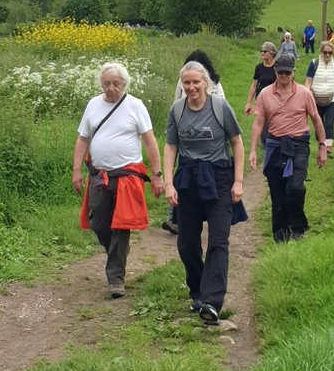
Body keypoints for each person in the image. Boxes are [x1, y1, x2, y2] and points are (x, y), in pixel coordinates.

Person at [162, 60, 244, 326]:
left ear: (206, 83)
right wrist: (169, 184)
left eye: (196, 82)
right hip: (187, 178)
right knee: (186, 243)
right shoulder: (177, 110)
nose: (191, 87)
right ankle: (197, 292)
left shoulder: (220, 107)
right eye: (186, 83)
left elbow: (237, 143)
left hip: (219, 177)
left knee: (218, 241)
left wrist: (238, 181)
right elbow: (170, 147)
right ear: (182, 85)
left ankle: (212, 302)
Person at [72, 62, 164, 299]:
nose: (111, 88)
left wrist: (157, 175)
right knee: (98, 222)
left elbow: (150, 141)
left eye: (116, 83)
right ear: (100, 84)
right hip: (99, 176)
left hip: (127, 176)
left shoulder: (136, 106)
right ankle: (118, 253)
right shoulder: (93, 104)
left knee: (121, 225)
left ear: (124, 84)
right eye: (106, 83)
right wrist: (76, 171)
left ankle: (116, 279)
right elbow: (83, 139)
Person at [249, 53, 328, 242]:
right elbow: (258, 123)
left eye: (287, 72)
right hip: (275, 144)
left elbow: (316, 120)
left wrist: (322, 146)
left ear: (293, 72)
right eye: (280, 72)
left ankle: (298, 227)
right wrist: (252, 150)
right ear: (275, 71)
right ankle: (280, 232)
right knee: (277, 190)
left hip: (298, 144)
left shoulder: (304, 93)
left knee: (295, 188)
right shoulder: (265, 94)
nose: (283, 76)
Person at [162, 49, 226, 236]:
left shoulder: (215, 84)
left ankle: (210, 214)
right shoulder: (181, 85)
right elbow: (176, 102)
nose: (190, 85)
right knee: (182, 173)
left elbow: (221, 103)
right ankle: (177, 216)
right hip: (185, 130)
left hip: (209, 134)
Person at [305, 40, 334, 156]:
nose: (327, 55)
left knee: (329, 123)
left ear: (333, 53)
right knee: (319, 123)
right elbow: (308, 80)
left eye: (330, 53)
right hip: (316, 99)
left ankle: (328, 148)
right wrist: (306, 95)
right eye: (325, 52)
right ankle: (321, 146)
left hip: (333, 99)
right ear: (321, 52)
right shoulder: (314, 63)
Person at [244, 41, 278, 116]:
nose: (262, 53)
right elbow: (254, 85)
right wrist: (249, 103)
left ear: (272, 53)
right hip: (260, 98)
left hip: (275, 99)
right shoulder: (259, 67)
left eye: (265, 51)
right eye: (261, 51)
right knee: (260, 122)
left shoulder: (278, 66)